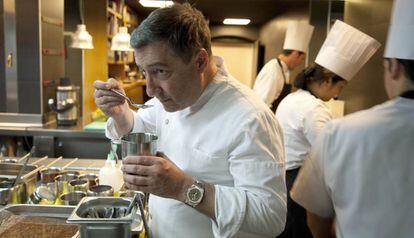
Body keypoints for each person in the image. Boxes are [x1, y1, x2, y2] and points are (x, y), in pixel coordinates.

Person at [94, 3, 286, 238]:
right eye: (144, 72)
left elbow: (270, 216)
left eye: (160, 71)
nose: (151, 90)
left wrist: (183, 188)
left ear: (200, 62)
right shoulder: (172, 98)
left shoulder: (250, 118)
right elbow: (141, 127)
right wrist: (120, 113)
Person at [290, 0, 414, 237]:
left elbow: (316, 218)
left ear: (394, 68)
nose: (338, 93)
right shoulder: (318, 112)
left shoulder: (341, 131)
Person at [275, 20, 380, 238]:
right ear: (327, 80)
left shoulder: (292, 98)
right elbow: (330, 152)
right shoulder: (314, 108)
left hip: (281, 177)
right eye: (339, 87)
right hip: (298, 180)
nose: (336, 95)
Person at [253, 21, 314, 112]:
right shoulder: (273, 69)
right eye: (302, 59)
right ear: (295, 54)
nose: (300, 63)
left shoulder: (284, 71)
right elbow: (262, 104)